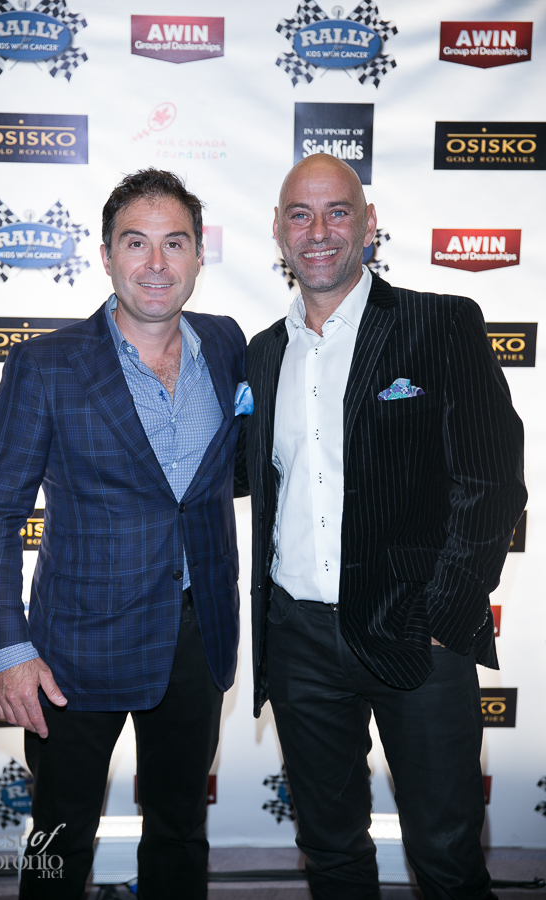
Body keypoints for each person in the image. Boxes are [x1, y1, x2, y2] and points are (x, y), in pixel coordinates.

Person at [235, 154, 526, 899]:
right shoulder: (261, 354)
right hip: (298, 638)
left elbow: (493, 481)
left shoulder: (441, 323)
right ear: (278, 231)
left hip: (417, 632)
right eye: (300, 214)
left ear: (369, 225)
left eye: (338, 212)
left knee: (447, 856)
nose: (319, 231)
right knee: (330, 852)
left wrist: (444, 615)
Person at [0, 168, 246, 900]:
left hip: (198, 636)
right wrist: (9, 651)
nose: (156, 264)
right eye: (135, 243)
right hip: (73, 649)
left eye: (174, 243)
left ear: (198, 255)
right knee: (60, 839)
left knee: (181, 828)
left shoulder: (226, 344)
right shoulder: (45, 364)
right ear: (105, 255)